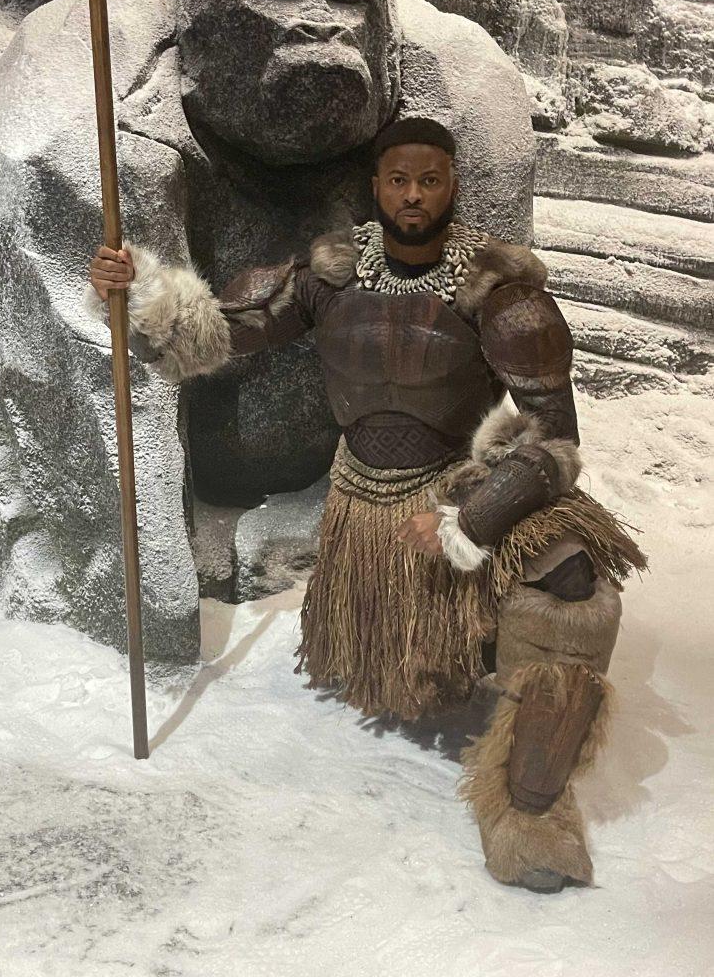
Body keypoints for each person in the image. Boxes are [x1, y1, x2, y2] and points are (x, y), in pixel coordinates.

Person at [85, 116, 645, 893]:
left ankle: (530, 812)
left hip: (456, 484)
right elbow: (216, 336)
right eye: (398, 180)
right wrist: (137, 290)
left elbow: (552, 437)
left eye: (429, 180)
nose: (413, 196)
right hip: (360, 505)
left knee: (574, 586)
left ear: (452, 184)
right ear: (376, 186)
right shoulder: (330, 273)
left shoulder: (502, 291)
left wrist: (470, 520)